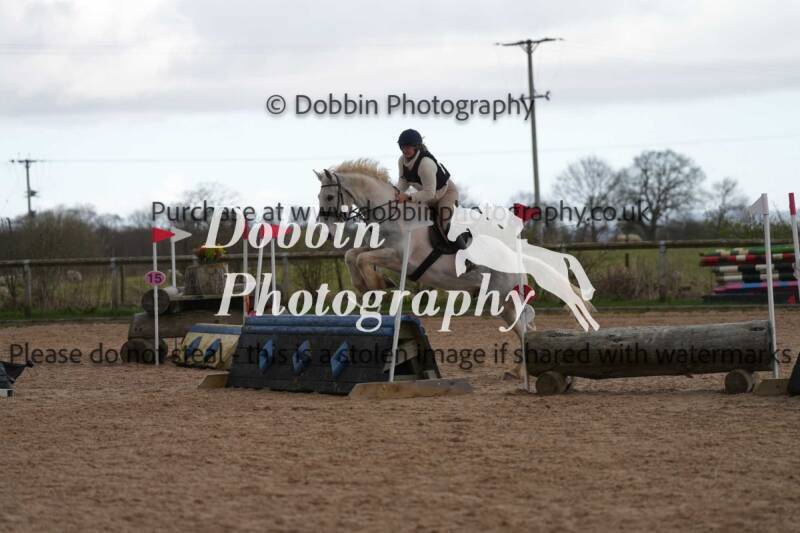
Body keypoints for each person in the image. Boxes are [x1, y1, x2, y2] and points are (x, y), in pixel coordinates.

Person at [394, 129, 459, 234]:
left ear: (416, 146)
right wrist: (395, 193)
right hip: (428, 196)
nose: (404, 150)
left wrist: (408, 197)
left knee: (444, 224)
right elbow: (404, 180)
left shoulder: (425, 165)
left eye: (408, 147)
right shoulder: (402, 160)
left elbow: (429, 193)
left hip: (446, 194)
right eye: (402, 146)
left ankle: (458, 243)